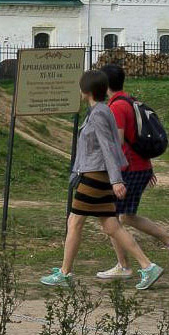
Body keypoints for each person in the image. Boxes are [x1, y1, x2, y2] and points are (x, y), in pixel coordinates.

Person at [40, 69, 163, 290]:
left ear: (85, 91)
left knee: (75, 222)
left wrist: (117, 180)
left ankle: (65, 273)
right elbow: (114, 145)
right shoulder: (104, 110)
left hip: (95, 176)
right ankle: (147, 266)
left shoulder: (98, 114)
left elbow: (108, 146)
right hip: (97, 174)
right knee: (111, 225)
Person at [96, 64, 169, 280]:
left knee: (111, 219)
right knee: (126, 216)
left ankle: (125, 266)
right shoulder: (130, 100)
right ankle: (166, 239)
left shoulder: (117, 107)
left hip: (127, 169)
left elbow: (117, 144)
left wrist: (113, 176)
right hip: (140, 166)